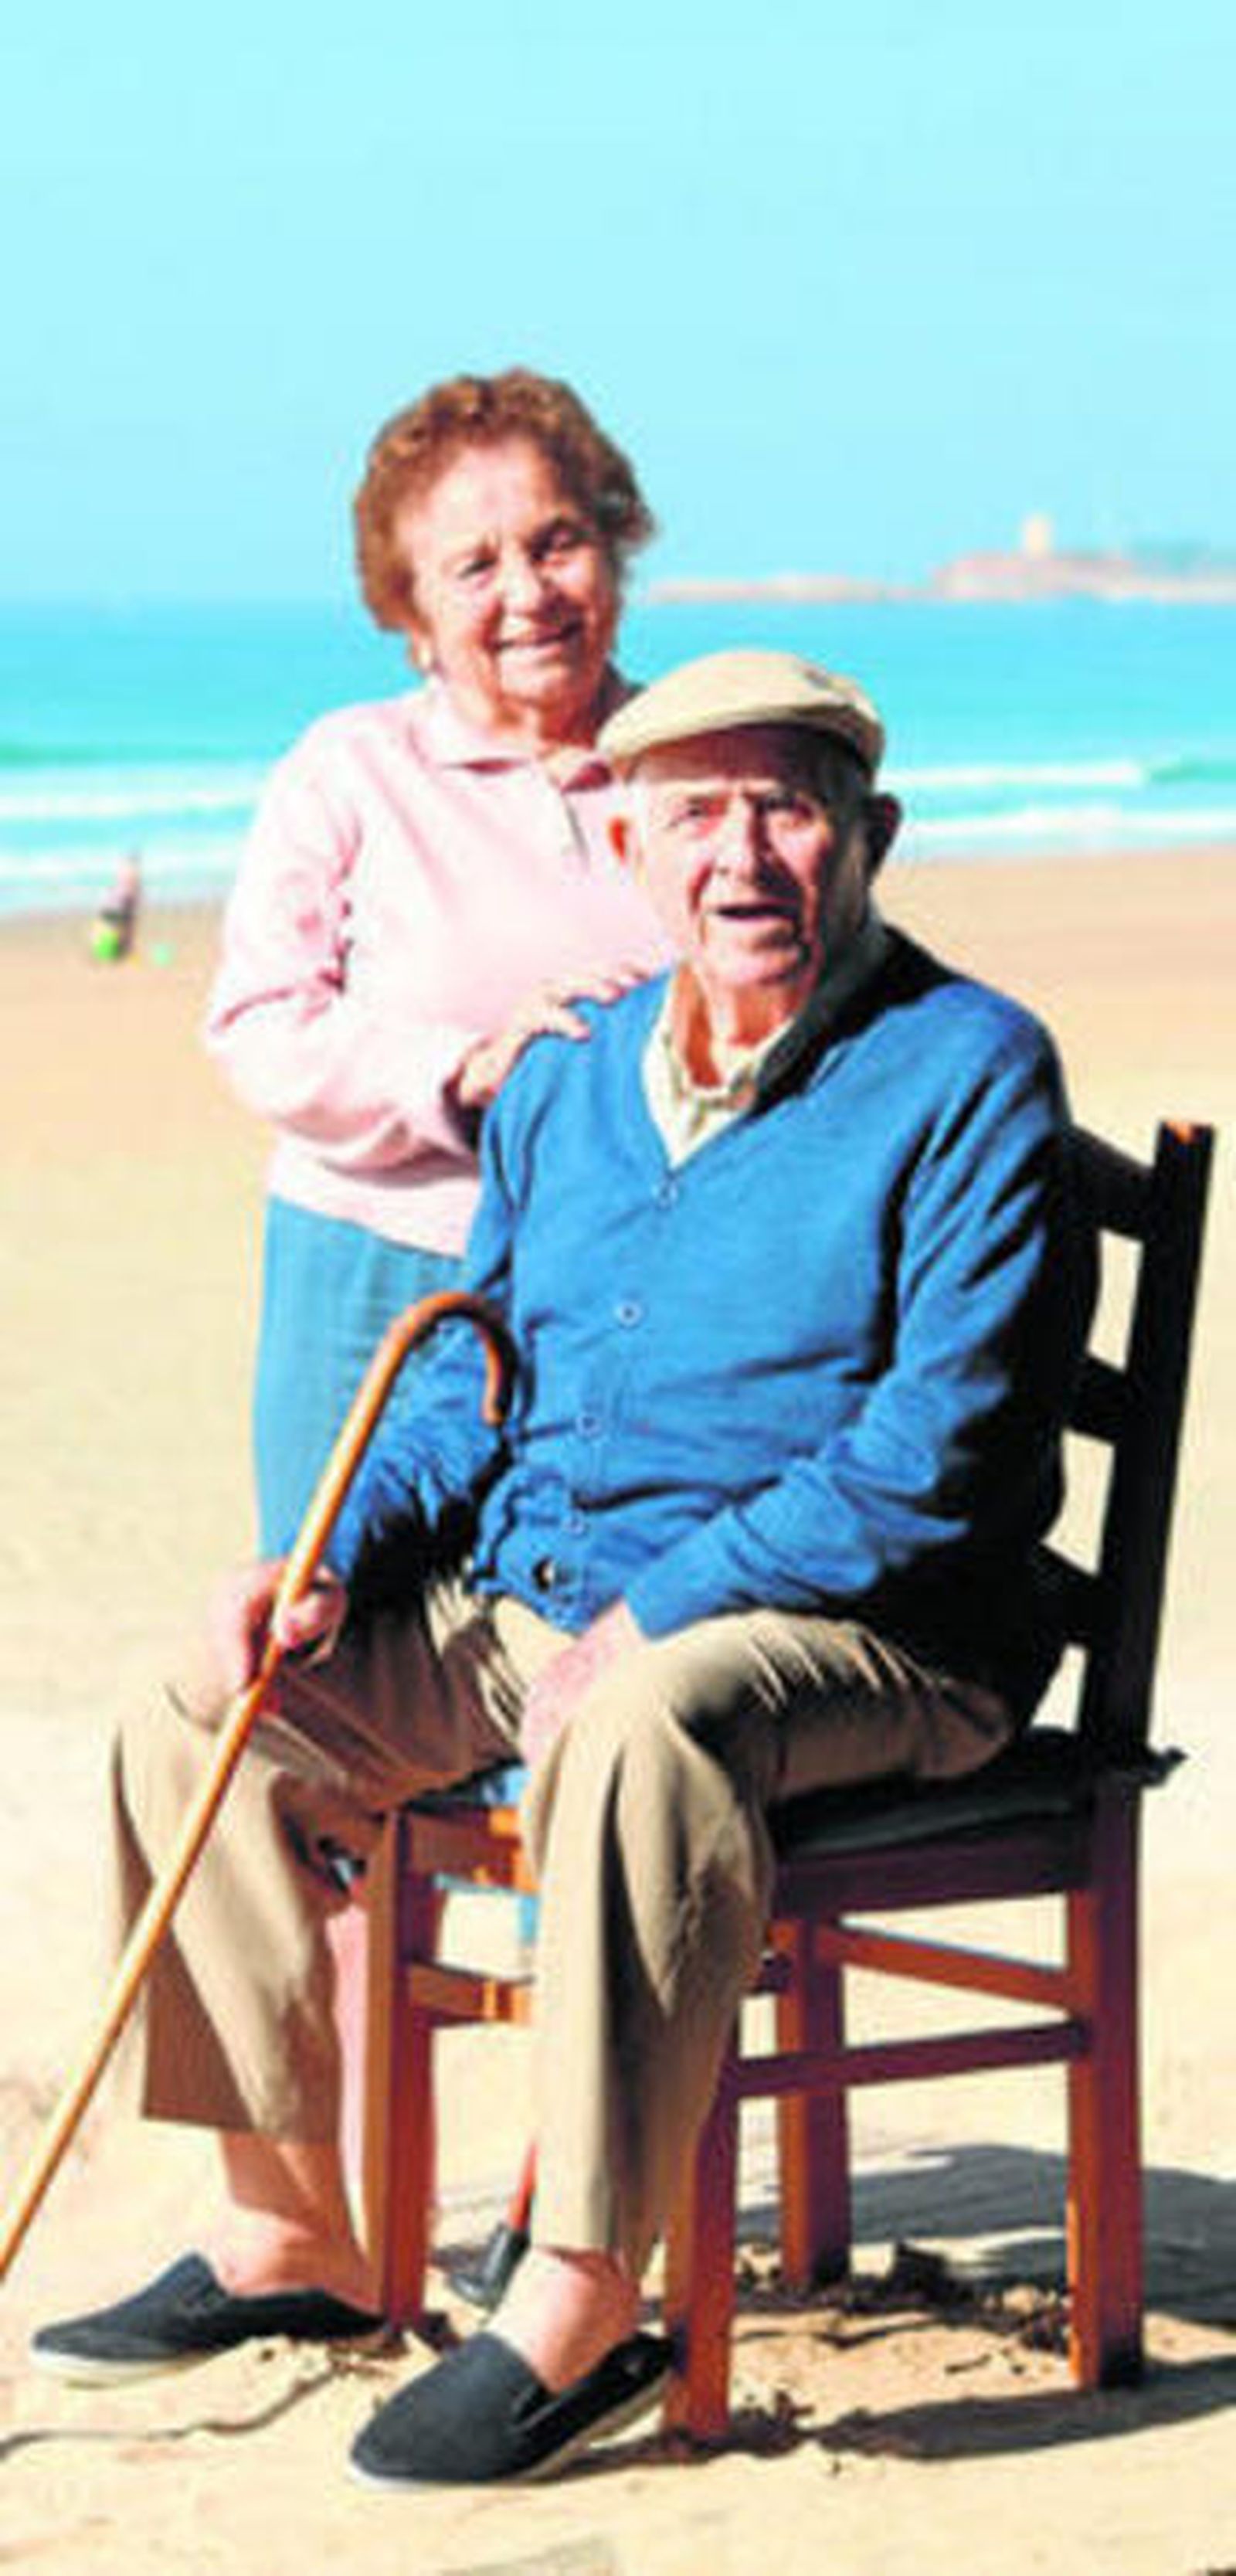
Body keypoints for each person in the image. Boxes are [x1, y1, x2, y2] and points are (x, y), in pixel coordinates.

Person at [33, 650, 1095, 2486]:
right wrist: (331, 1551)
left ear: (869, 834)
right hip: (553, 1597)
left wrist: (654, 1610)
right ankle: (293, 2232)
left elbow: (935, 1458)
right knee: (210, 1700)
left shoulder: (970, 1067)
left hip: (872, 1633)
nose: (737, 852)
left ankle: (584, 2297)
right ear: (623, 846)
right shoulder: (571, 1075)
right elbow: (476, 1378)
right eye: (692, 814)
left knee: (642, 1717)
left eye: (785, 807)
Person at [204, 368, 672, 1559]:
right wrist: (461, 1071)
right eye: (475, 566)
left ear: (614, 546)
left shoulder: (691, 768)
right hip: (377, 1275)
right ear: (409, 613)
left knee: (560, 1622)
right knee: (329, 1620)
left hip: (622, 1284)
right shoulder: (350, 768)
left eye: (557, 542)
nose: (528, 593)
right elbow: (258, 1023)